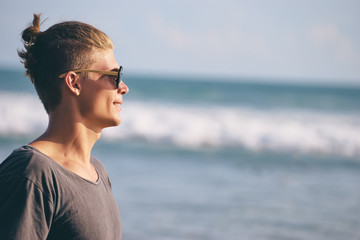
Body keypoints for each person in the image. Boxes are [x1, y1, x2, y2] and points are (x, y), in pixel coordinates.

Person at [0, 14, 128, 239]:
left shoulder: (97, 171)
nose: (123, 87)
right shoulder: (32, 174)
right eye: (113, 76)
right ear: (74, 82)